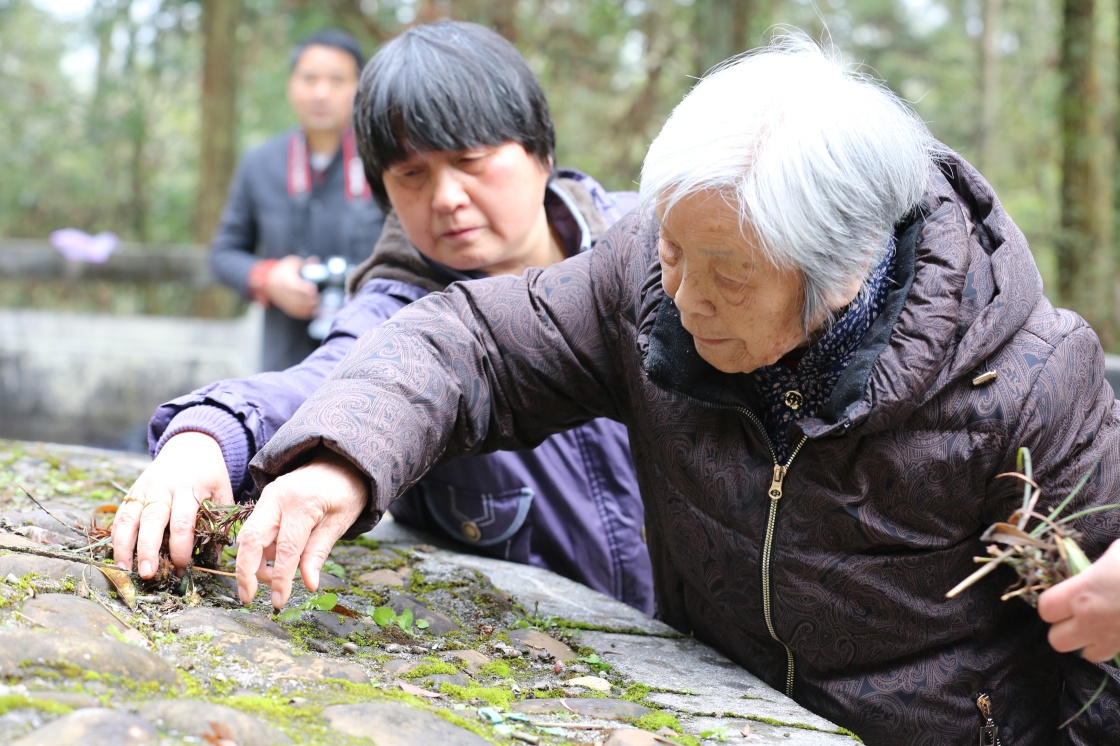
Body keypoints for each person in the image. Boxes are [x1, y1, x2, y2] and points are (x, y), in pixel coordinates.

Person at [232, 35, 1120, 745]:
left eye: (726, 274)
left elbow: (1100, 659)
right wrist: (341, 458)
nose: (683, 300)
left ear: (842, 271)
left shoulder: (1032, 381)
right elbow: (472, 341)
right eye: (670, 252)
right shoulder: (645, 282)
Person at [111, 22, 652, 614]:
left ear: (540, 150)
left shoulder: (657, 243)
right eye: (411, 175)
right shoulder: (401, 310)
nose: (446, 197)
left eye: (471, 160)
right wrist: (209, 436)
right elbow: (332, 383)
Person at [210, 29, 386, 371]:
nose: (322, 92)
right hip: (285, 359)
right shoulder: (261, 163)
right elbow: (223, 253)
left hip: (371, 355)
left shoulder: (385, 162)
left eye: (337, 80)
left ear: (359, 88)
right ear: (291, 85)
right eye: (310, 79)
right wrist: (268, 278)